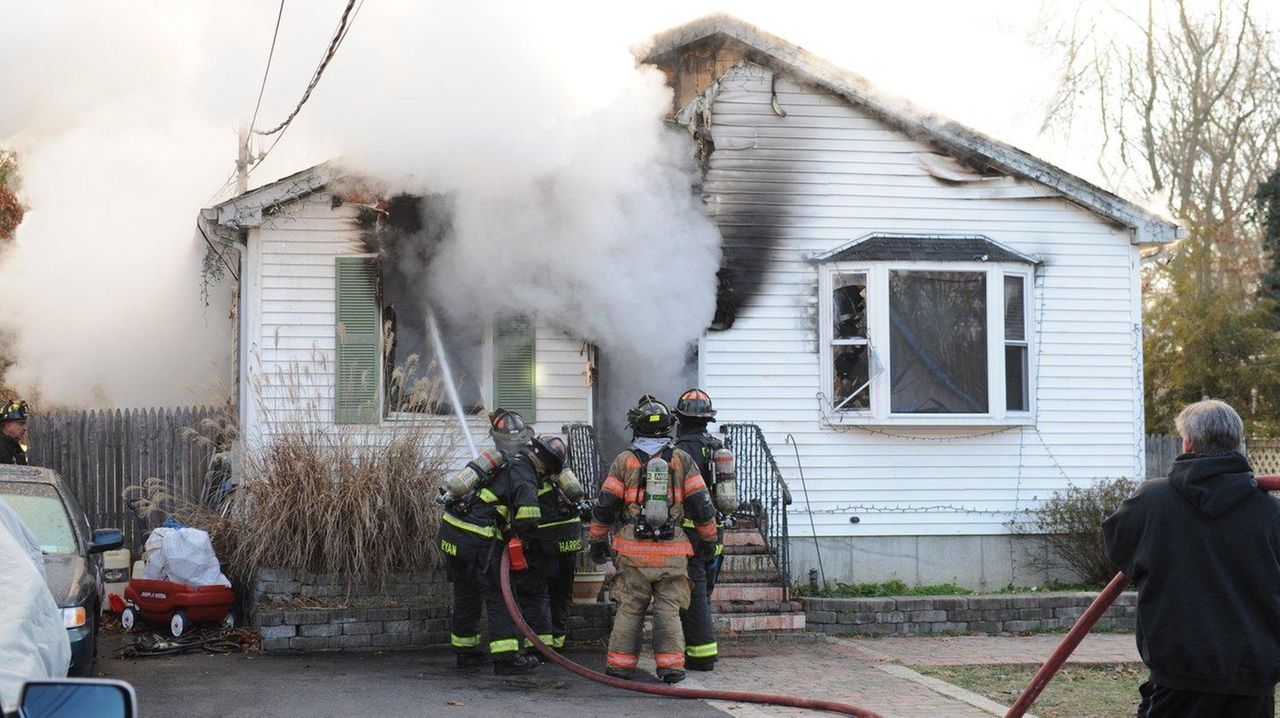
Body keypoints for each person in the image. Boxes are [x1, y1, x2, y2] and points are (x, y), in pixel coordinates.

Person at [1103, 399, 1280, 717]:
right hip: (1252, 682)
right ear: (1237, 443)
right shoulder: (1271, 513)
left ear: (1187, 442)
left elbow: (1119, 549)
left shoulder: (1152, 502)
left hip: (1179, 682)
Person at [587, 396, 718, 684]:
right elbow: (702, 506)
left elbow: (605, 506)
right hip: (672, 552)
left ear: (635, 427)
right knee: (668, 610)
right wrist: (709, 541)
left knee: (630, 608)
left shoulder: (624, 461)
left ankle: (620, 667)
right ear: (668, 427)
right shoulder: (682, 460)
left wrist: (597, 541)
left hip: (633, 552)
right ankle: (671, 668)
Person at [439, 416, 557, 676]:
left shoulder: (500, 462)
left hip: (452, 532)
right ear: (545, 466)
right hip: (479, 539)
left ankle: (466, 652)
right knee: (500, 595)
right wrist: (524, 540)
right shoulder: (524, 473)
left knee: (466, 593)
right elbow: (528, 517)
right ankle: (507, 658)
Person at [672, 388, 735, 672]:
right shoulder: (716, 447)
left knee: (693, 592)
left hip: (690, 533)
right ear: (707, 420)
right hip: (715, 530)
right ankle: (694, 647)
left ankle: (701, 654)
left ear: (680, 419)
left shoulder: (680, 452)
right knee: (704, 590)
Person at [524, 437, 587, 654]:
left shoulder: (534, 476)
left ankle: (541, 646)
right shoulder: (563, 477)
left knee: (537, 592)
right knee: (561, 592)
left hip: (545, 543)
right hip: (569, 541)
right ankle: (558, 641)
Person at [0, 400, 29, 466]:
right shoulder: (2, 447)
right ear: (7, 425)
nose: (25, 428)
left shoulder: (14, 446)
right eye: (21, 424)